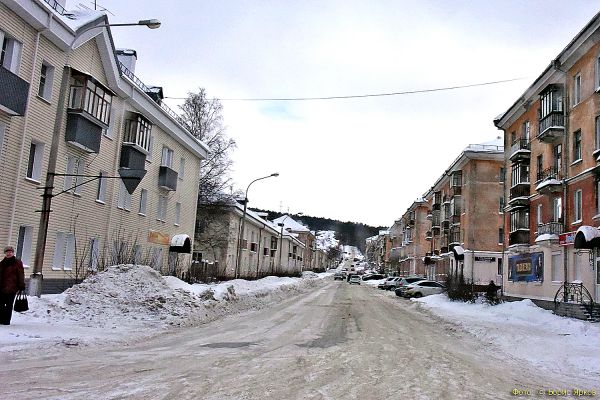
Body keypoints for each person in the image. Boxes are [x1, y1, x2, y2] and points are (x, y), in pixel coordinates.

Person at [0, 245, 25, 325]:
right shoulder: (2, 263)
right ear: (5, 253)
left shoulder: (17, 263)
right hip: (2, 287)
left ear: (13, 253)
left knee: (9, 305)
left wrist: (21, 285)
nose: (9, 253)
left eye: (10, 252)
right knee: (1, 304)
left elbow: (21, 274)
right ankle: (1, 319)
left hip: (12, 287)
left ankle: (6, 321)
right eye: (7, 252)